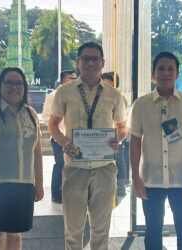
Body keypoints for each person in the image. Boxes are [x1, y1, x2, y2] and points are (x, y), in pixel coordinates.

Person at [48, 42, 127, 250]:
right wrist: (65, 142)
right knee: (73, 230)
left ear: (102, 63)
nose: (90, 63)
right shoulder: (64, 92)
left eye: (95, 59)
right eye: (86, 58)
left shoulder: (114, 95)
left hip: (104, 169)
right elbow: (53, 125)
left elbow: (122, 127)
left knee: (101, 229)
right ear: (78, 62)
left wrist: (117, 138)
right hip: (75, 168)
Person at [129, 51, 182, 250]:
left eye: (170, 69)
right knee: (153, 230)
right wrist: (136, 177)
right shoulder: (141, 104)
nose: (165, 73)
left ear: (177, 73)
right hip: (151, 180)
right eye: (161, 69)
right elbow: (135, 142)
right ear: (153, 74)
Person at [0, 67, 44, 250]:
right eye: (8, 83)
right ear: (0, 86)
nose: (14, 87)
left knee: (15, 233)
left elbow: (37, 151)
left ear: (24, 86)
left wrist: (39, 184)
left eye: (18, 83)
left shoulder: (31, 114)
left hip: (24, 184)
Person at [42, 70, 77, 204]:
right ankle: (56, 193)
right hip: (59, 137)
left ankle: (70, 192)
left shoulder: (78, 94)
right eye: (71, 78)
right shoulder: (53, 95)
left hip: (75, 137)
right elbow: (46, 117)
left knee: (73, 166)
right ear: (64, 80)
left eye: (75, 78)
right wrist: (58, 130)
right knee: (61, 164)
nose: (74, 80)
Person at [101, 72, 129, 200]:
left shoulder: (119, 98)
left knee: (120, 162)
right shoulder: (100, 96)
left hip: (116, 137)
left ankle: (121, 187)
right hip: (102, 140)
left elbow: (122, 122)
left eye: (105, 82)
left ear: (113, 83)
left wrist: (118, 136)